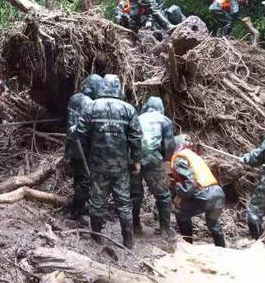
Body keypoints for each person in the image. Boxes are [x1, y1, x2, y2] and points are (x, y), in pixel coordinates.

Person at [76, 74, 142, 249]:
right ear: (118, 87)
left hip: (97, 165)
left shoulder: (91, 107)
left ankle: (97, 238)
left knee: (97, 201)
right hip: (121, 167)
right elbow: (136, 138)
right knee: (124, 203)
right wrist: (136, 160)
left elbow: (80, 133)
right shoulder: (129, 109)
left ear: (103, 86)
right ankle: (128, 242)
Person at [170, 134, 226, 247]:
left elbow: (190, 184)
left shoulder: (179, 158)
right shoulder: (193, 156)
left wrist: (178, 194)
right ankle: (222, 250)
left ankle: (188, 247)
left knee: (181, 213)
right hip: (218, 194)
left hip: (204, 195)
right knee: (214, 225)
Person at [131, 96, 175, 236]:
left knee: (134, 194)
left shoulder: (137, 117)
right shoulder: (165, 120)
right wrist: (166, 160)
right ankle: (165, 230)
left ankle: (135, 225)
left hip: (133, 158)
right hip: (152, 159)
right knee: (163, 195)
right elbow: (169, 145)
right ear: (160, 108)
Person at [66, 74, 102, 218]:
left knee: (78, 176)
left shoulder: (74, 98)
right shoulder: (89, 103)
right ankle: (75, 212)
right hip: (82, 146)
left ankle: (80, 206)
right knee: (86, 179)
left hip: (71, 144)